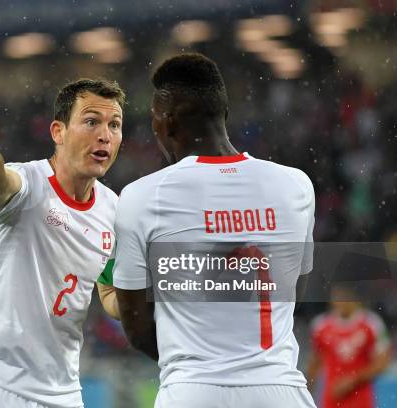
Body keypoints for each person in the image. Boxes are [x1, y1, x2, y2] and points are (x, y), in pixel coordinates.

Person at [110, 53, 317, 407]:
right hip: (282, 391)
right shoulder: (295, 185)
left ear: (167, 121)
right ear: (224, 114)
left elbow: (137, 327)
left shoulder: (143, 197)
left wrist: (199, 357)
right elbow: (294, 288)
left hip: (193, 391)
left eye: (154, 120)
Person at [0, 78, 124, 408]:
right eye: (91, 121)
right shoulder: (28, 183)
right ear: (58, 132)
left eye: (114, 125)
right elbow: (0, 182)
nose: (105, 135)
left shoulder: (113, 210)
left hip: (64, 392)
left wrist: (153, 296)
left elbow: (112, 295)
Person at [307, 285, 391, 408]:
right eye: (335, 296)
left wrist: (353, 381)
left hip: (361, 400)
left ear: (354, 297)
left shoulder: (372, 323)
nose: (338, 300)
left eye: (343, 296)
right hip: (331, 400)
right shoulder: (320, 325)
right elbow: (314, 365)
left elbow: (383, 362)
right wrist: (307, 393)